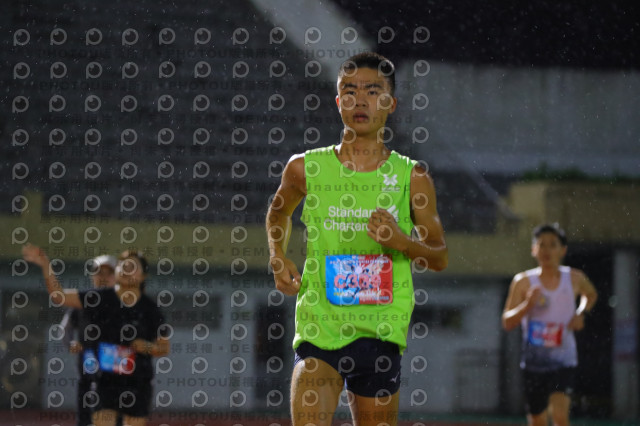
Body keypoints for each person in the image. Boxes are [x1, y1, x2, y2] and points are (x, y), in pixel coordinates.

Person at [266, 52, 448, 426]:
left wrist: (400, 241)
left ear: (391, 103)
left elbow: (439, 257)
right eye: (350, 91)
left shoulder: (412, 178)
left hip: (380, 335)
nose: (360, 100)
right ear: (338, 102)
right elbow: (278, 213)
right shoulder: (305, 168)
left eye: (372, 91)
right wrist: (277, 256)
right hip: (320, 330)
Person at [22, 244, 169, 426]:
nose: (126, 270)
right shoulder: (99, 298)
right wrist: (45, 264)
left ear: (143, 276)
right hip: (105, 380)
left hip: (138, 382)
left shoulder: (151, 310)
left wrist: (146, 346)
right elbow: (59, 296)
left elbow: (164, 347)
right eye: (122, 265)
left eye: (132, 267)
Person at [502, 224, 598, 426]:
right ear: (533, 249)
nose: (546, 250)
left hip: (564, 360)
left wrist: (581, 313)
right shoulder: (523, 281)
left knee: (560, 416)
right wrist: (527, 304)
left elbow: (590, 294)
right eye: (541, 245)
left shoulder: (575, 278)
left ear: (563, 250)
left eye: (552, 245)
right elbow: (507, 322)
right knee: (538, 420)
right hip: (534, 362)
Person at [59, 255, 119, 426]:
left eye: (109, 273)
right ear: (92, 276)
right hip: (89, 368)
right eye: (99, 273)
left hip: (117, 370)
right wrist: (70, 343)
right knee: (86, 415)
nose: (103, 277)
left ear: (117, 276)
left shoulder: (125, 302)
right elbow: (65, 328)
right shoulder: (83, 300)